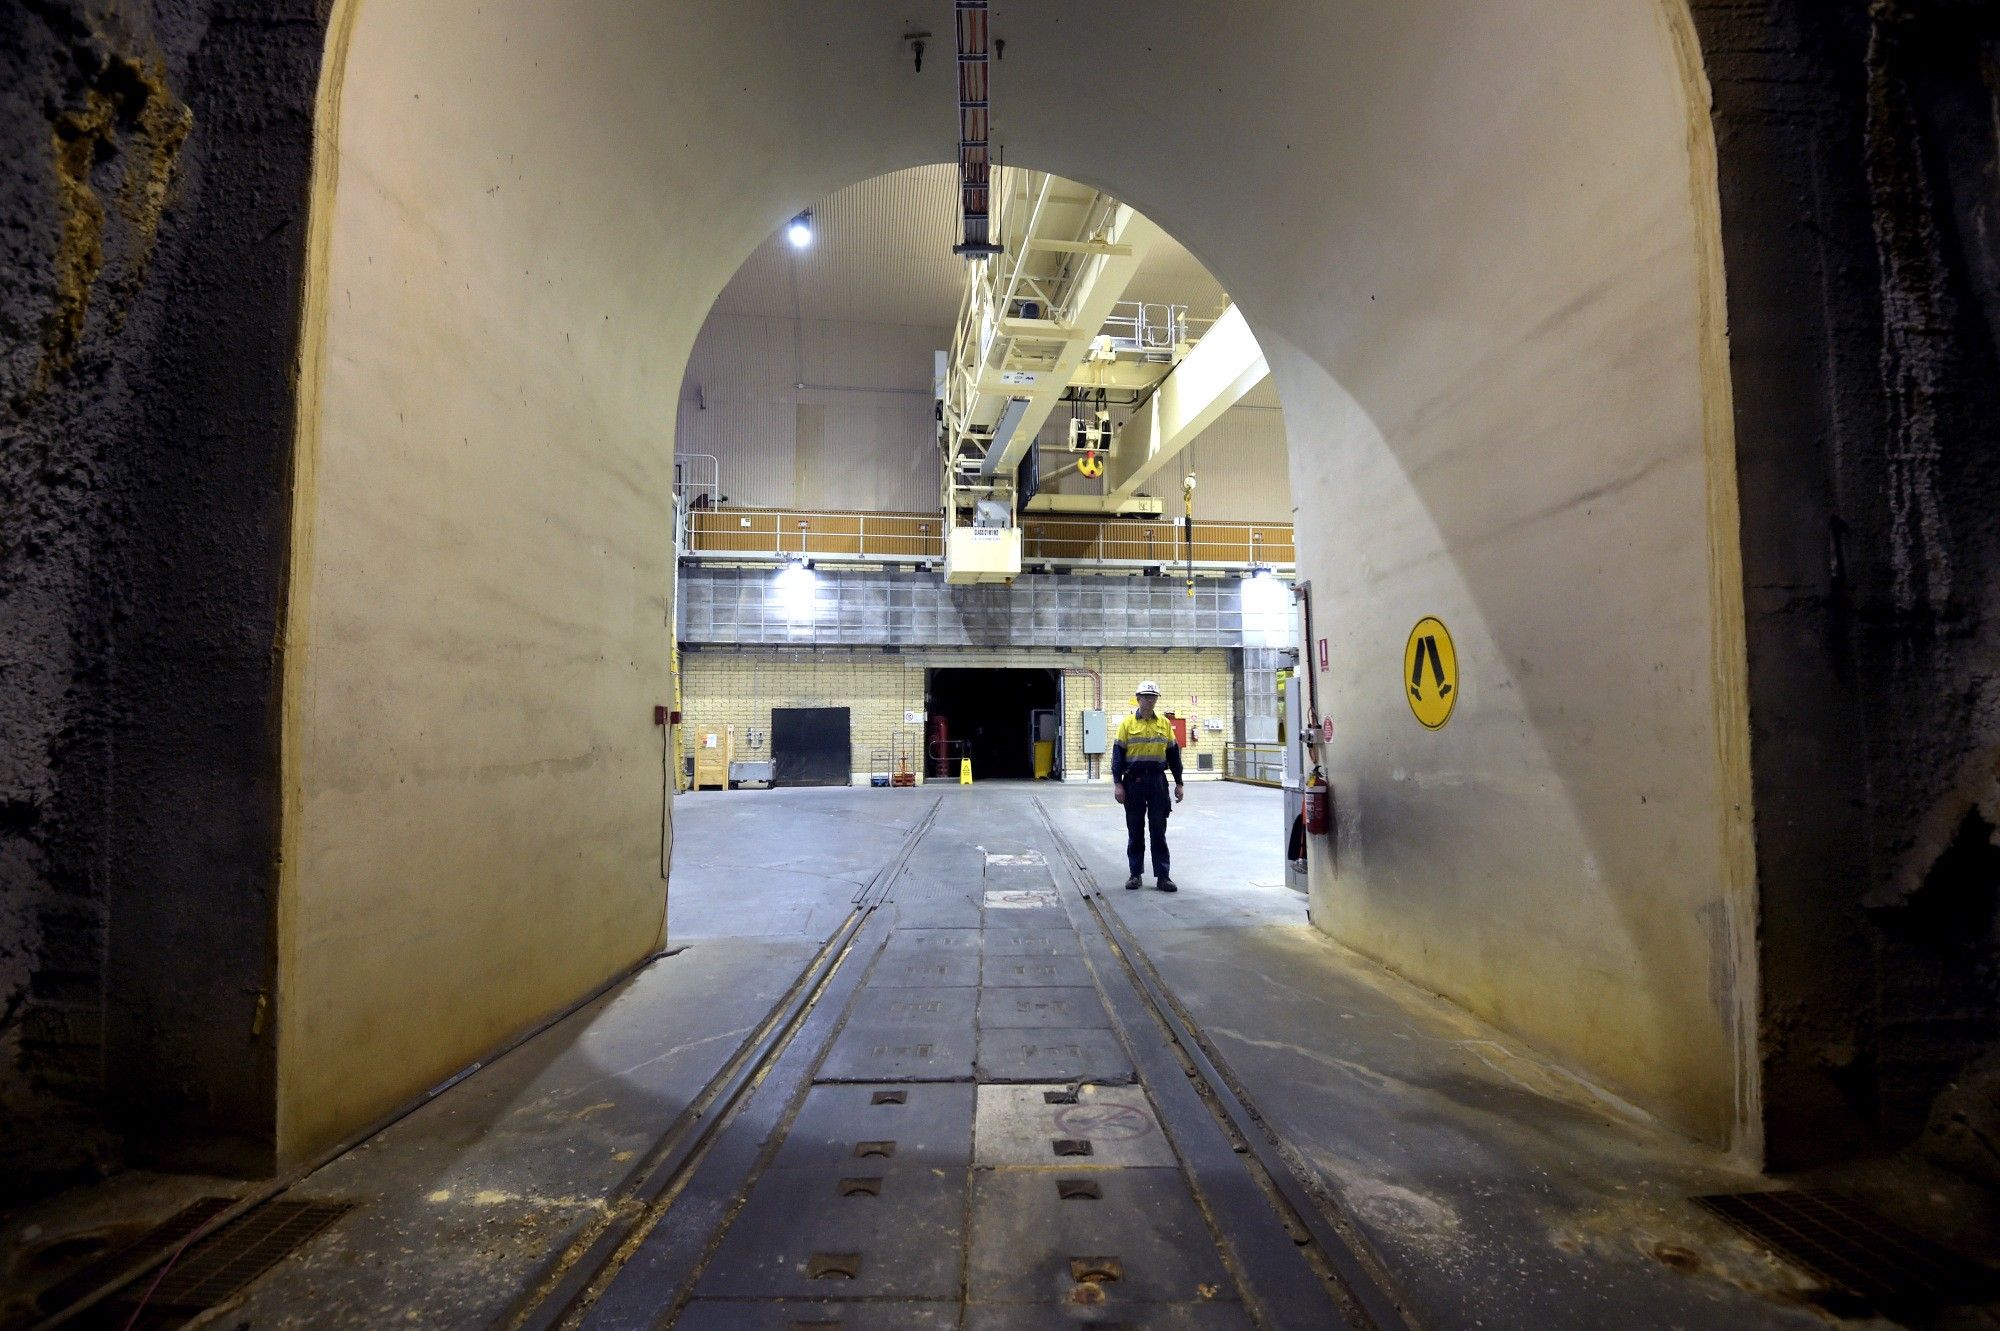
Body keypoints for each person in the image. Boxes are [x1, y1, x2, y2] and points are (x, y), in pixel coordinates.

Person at [1111, 680, 1184, 891]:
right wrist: (1118, 784)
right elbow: (1117, 758)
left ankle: (1163, 876)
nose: (1149, 700)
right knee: (1135, 830)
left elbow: (1173, 756)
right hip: (1133, 782)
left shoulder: (1164, 724)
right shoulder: (1126, 725)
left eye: (1153, 697)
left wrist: (1179, 783)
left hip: (1157, 782)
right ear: (1138, 698)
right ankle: (1135, 874)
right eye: (1145, 696)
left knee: (1158, 830)